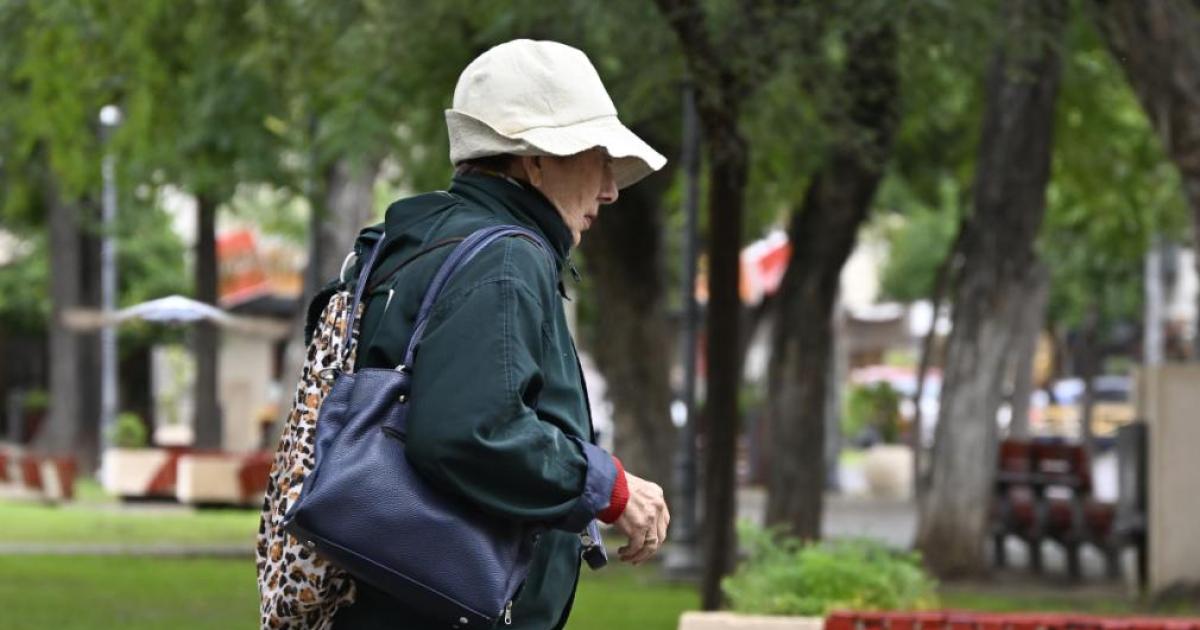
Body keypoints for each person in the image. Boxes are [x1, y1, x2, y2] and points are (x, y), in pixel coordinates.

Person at [331, 39, 671, 629]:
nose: (611, 189)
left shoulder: (424, 239)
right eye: (595, 156)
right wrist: (609, 486)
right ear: (533, 159)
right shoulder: (504, 259)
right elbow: (471, 431)